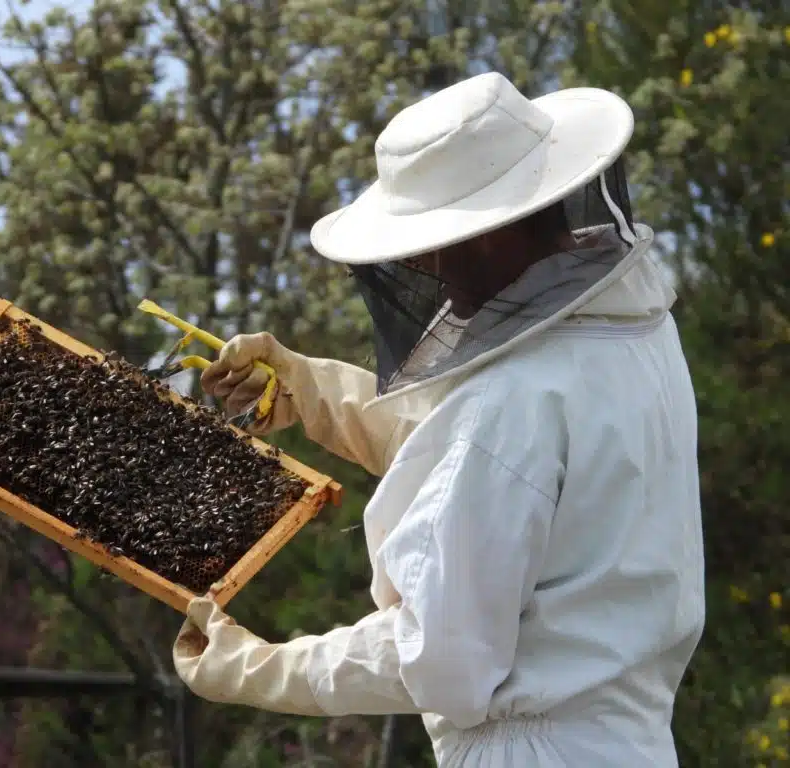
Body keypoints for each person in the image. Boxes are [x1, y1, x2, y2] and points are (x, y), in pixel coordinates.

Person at [172, 71, 705, 767]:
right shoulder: (634, 338)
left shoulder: (510, 404)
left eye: (433, 243)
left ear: (483, 237)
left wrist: (264, 667)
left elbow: (443, 655)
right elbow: (494, 473)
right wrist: (314, 391)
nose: (425, 264)